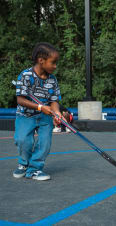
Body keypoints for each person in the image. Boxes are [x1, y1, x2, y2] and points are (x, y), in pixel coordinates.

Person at [13, 42, 63, 181]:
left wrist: (57, 113)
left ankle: (34, 169)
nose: (55, 66)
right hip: (25, 115)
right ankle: (24, 163)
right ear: (41, 61)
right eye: (53, 62)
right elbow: (20, 100)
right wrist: (40, 107)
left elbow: (54, 101)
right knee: (23, 141)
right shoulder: (25, 75)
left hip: (45, 117)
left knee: (45, 143)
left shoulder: (52, 79)